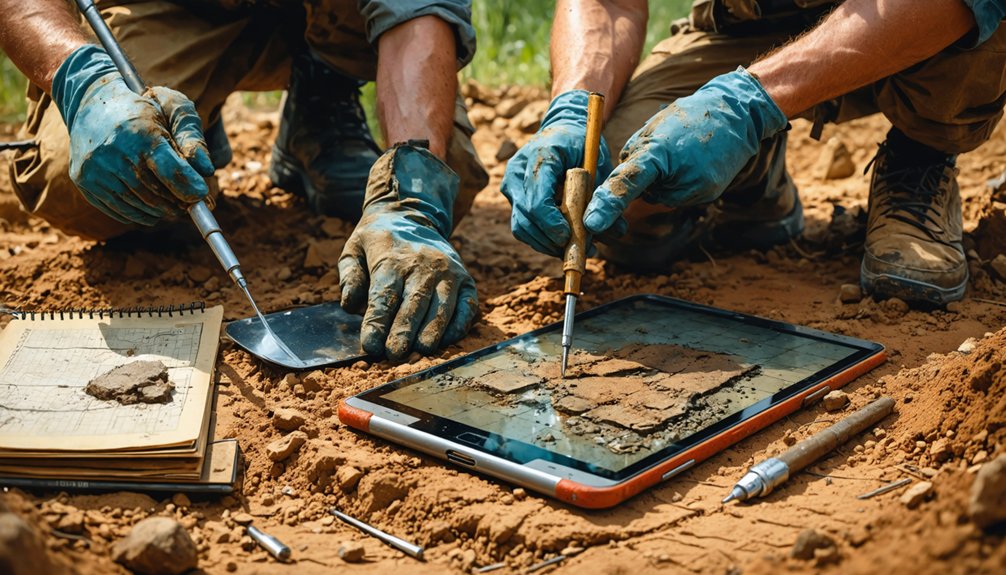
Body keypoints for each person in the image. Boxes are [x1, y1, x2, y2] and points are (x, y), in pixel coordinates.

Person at [1, 0, 488, 361]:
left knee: (447, 178)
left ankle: (322, 95)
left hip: (334, 14)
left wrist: (411, 200)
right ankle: (191, 111)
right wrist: (84, 80)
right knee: (82, 187)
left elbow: (418, 9)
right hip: (170, 9)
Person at [502, 0, 1006, 306]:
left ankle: (920, 157)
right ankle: (752, 175)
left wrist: (747, 103)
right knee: (623, 183)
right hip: (743, 28)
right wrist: (573, 108)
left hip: (915, 25)